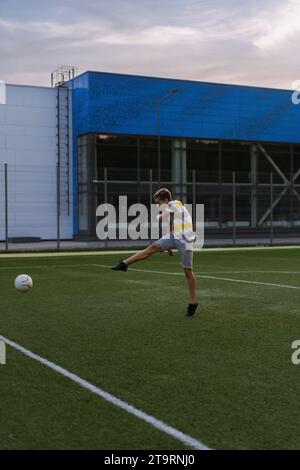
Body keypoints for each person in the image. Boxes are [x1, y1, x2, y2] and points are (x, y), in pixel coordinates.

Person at [112, 188, 198, 317]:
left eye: (158, 203)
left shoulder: (175, 204)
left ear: (165, 200)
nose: (158, 205)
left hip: (186, 240)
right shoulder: (171, 208)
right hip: (174, 236)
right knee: (151, 248)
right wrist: (168, 246)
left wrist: (159, 215)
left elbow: (162, 217)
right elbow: (171, 224)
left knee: (188, 272)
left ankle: (193, 303)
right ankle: (124, 264)